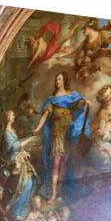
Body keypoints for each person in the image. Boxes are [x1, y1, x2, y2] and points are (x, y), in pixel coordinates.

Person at [31, 72, 89, 203]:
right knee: (56, 163)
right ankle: (53, 193)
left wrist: (86, 102)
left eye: (59, 79)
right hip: (57, 135)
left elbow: (80, 103)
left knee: (64, 163)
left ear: (64, 81)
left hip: (67, 135)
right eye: (56, 79)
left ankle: (61, 192)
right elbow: (44, 116)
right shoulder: (52, 100)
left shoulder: (70, 97)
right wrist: (37, 129)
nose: (57, 81)